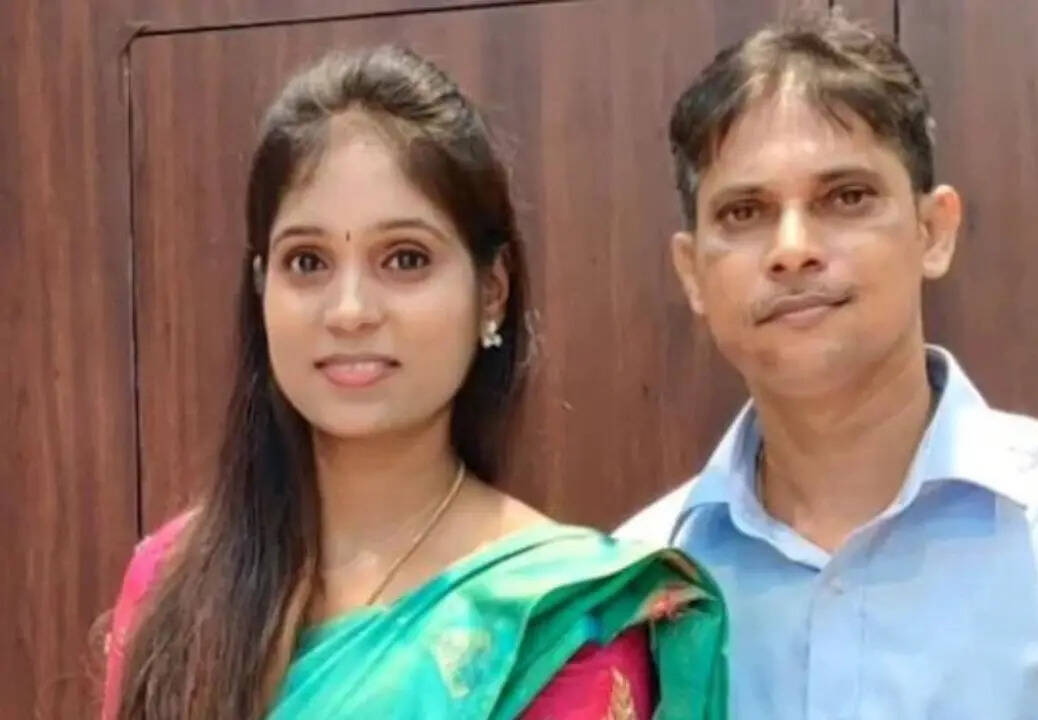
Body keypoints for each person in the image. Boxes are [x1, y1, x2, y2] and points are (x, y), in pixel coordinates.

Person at [617, 14, 1038, 719]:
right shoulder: (627, 589)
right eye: (745, 212)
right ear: (692, 272)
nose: (793, 249)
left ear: (933, 232)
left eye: (846, 197)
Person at [103, 46, 726, 720]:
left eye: (404, 259)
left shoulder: (554, 626)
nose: (349, 311)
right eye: (307, 262)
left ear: (491, 292)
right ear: (262, 289)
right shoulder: (175, 581)